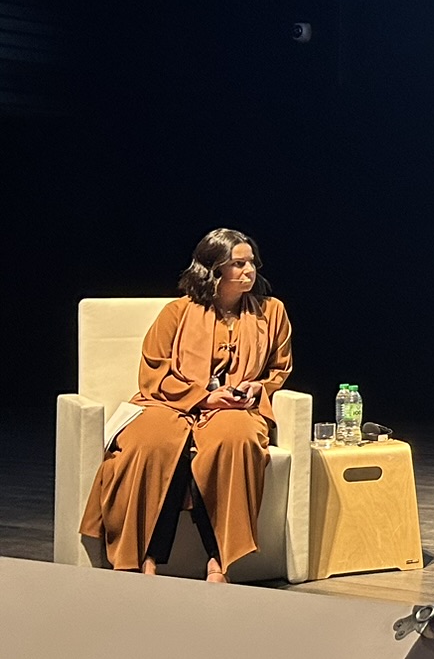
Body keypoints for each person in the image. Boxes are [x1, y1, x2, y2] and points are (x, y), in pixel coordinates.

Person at [80, 228, 293, 581]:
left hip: (235, 409)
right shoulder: (176, 313)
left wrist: (258, 388)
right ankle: (145, 557)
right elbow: (153, 371)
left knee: (234, 441)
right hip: (170, 401)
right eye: (238, 264)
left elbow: (279, 369)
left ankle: (219, 561)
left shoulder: (273, 312)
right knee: (152, 443)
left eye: (251, 263)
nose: (249, 271)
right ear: (214, 270)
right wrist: (204, 397)